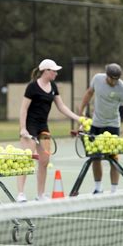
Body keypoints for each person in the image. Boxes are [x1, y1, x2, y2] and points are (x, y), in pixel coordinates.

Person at [17, 59, 82, 202]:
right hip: (30, 126)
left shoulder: (53, 86)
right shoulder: (32, 87)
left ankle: (40, 195)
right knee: (26, 160)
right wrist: (23, 128)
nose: (56, 73)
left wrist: (78, 118)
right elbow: (23, 109)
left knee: (45, 160)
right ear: (46, 71)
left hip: (43, 127)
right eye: (54, 70)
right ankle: (20, 194)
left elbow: (61, 106)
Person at [78, 63, 123, 194]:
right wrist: (81, 112)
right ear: (106, 75)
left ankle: (114, 190)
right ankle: (98, 188)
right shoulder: (97, 79)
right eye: (111, 78)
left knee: (113, 158)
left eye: (116, 79)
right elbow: (89, 93)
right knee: (95, 157)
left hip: (113, 125)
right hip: (96, 124)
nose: (114, 81)